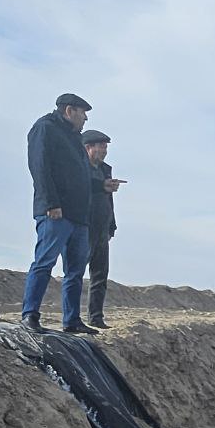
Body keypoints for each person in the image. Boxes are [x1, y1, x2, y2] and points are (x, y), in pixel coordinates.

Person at [21, 93, 97, 335]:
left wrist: (101, 185)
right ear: (69, 111)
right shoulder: (45, 128)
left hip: (78, 216)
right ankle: (30, 315)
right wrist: (51, 203)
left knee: (75, 271)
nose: (85, 118)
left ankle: (72, 320)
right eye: (83, 113)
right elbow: (39, 166)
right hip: (56, 212)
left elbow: (78, 175)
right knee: (44, 262)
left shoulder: (74, 137)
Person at [81, 129, 126, 328]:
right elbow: (79, 189)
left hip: (102, 227)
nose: (104, 151)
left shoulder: (105, 170)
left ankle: (96, 317)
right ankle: (71, 318)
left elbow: (108, 200)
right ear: (88, 147)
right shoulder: (79, 167)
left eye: (106, 148)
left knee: (100, 275)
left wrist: (111, 226)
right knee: (76, 272)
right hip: (84, 226)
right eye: (101, 147)